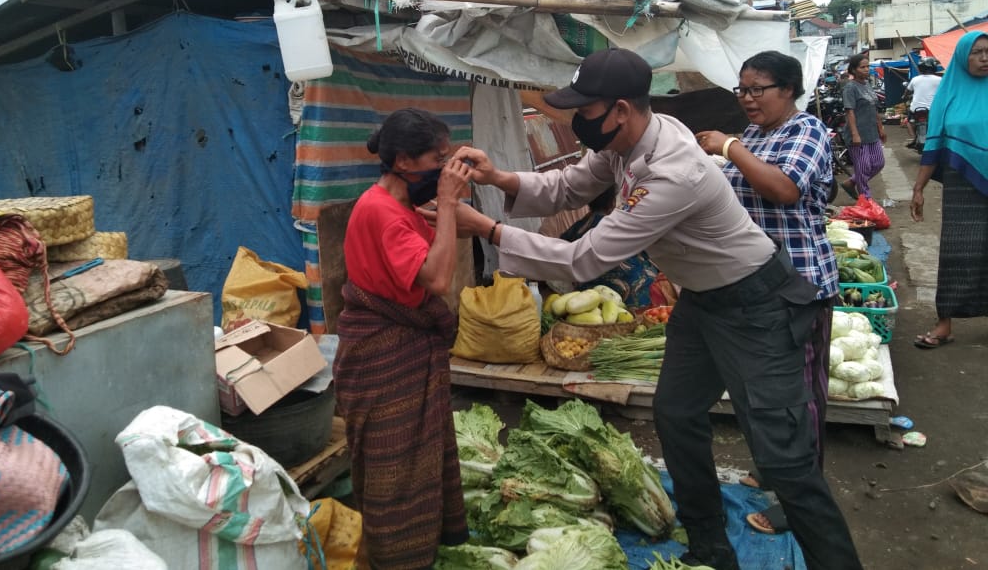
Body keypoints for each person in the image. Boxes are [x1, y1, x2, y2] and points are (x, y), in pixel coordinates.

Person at [453, 48, 863, 570]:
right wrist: (500, 179)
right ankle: (711, 547)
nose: (578, 120)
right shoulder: (630, 139)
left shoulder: (673, 170)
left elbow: (584, 259)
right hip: (703, 300)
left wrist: (487, 229)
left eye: (586, 109)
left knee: (784, 459)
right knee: (676, 412)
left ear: (620, 109)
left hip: (756, 304)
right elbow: (569, 186)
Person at [696, 51, 838, 538]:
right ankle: (777, 469)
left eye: (758, 89)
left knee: (800, 399)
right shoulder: (755, 135)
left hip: (798, 283)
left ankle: (800, 500)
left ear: (789, 90)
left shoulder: (808, 131)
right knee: (762, 391)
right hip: (753, 283)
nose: (748, 98)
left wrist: (729, 146)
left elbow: (783, 189)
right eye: (742, 89)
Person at [332, 108, 474, 569]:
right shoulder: (382, 213)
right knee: (393, 475)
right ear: (405, 162)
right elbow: (435, 278)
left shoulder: (396, 206)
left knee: (408, 467)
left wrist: (443, 211)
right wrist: (449, 206)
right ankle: (394, 558)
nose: (446, 167)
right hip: (384, 355)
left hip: (400, 349)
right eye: (440, 158)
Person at [910, 31, 988, 349]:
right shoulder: (949, 92)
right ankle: (944, 324)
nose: (985, 58)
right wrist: (918, 187)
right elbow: (935, 142)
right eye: (977, 52)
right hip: (963, 186)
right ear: (961, 57)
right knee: (959, 251)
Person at [559, 185, 661, 308]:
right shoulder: (624, 224)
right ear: (612, 202)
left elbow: (561, 254)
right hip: (638, 299)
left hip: (592, 301)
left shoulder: (578, 229)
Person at [839, 53, 886, 200]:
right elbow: (849, 111)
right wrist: (854, 134)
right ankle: (866, 199)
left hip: (872, 132)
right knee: (863, 167)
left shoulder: (867, 86)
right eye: (862, 67)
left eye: (868, 66)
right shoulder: (850, 88)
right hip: (857, 134)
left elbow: (874, 109)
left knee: (878, 163)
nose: (866, 69)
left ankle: (851, 182)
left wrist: (881, 128)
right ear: (853, 69)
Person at [903, 59, 941, 148]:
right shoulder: (940, 80)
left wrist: (904, 97)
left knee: (908, 121)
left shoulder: (915, 79)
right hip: (932, 110)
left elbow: (907, 92)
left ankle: (914, 138)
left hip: (915, 110)